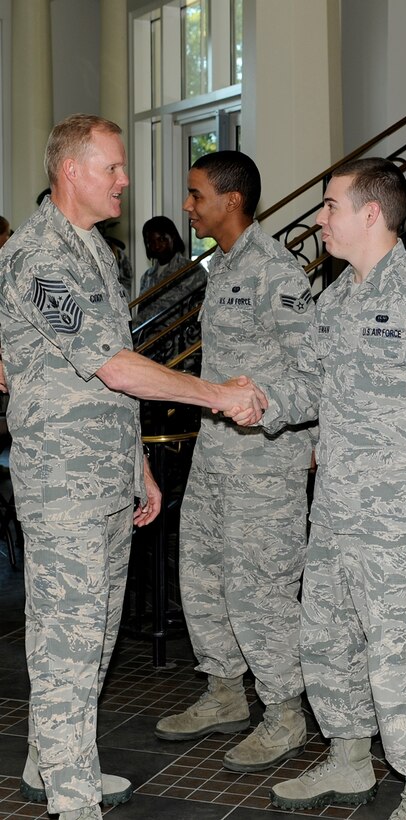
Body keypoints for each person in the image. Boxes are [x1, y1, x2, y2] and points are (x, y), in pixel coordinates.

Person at [0, 114, 267, 820]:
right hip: (63, 486)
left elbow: (98, 379)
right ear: (72, 173)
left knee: (92, 635)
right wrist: (215, 395)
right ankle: (73, 798)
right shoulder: (40, 257)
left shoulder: (93, 248)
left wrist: (138, 467)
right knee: (68, 638)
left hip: (104, 477)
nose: (125, 180)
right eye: (113, 168)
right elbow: (116, 369)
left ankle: (50, 762)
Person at [262, 157, 406, 819]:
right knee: (328, 638)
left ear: (370, 213)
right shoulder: (337, 297)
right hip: (336, 509)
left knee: (401, 653)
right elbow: (306, 385)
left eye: (330, 206)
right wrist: (254, 399)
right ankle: (347, 757)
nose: (319, 219)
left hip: (400, 517)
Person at [152, 150, 315, 774]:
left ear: (232, 200)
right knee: (202, 575)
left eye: (196, 195)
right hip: (216, 454)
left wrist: (274, 414)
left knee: (261, 590)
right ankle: (224, 692)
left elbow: (311, 374)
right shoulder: (220, 267)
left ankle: (284, 713)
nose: (188, 206)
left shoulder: (278, 272)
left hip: (265, 463)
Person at [136, 215, 205, 327]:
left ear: (173, 237)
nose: (157, 246)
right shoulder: (146, 277)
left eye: (161, 239)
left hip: (180, 341)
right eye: (151, 242)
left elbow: (203, 314)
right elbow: (141, 316)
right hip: (148, 342)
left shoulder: (192, 271)